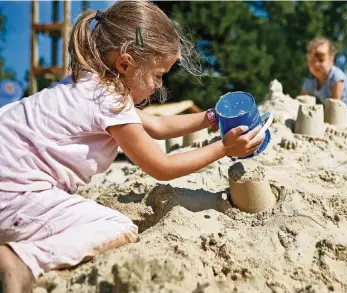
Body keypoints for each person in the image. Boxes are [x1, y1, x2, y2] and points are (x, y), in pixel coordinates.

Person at [0, 1, 264, 292]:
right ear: (125, 63)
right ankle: (20, 260)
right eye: (158, 75)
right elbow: (161, 167)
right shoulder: (109, 103)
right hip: (11, 191)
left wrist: (211, 118)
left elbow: (158, 126)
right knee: (118, 227)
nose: (159, 85)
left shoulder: (93, 85)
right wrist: (224, 149)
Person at [300, 38, 347, 126]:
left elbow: (334, 106)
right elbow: (301, 99)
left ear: (331, 60)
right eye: (312, 61)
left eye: (321, 60)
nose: (316, 64)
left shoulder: (336, 77)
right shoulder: (311, 80)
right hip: (338, 110)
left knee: (334, 121)